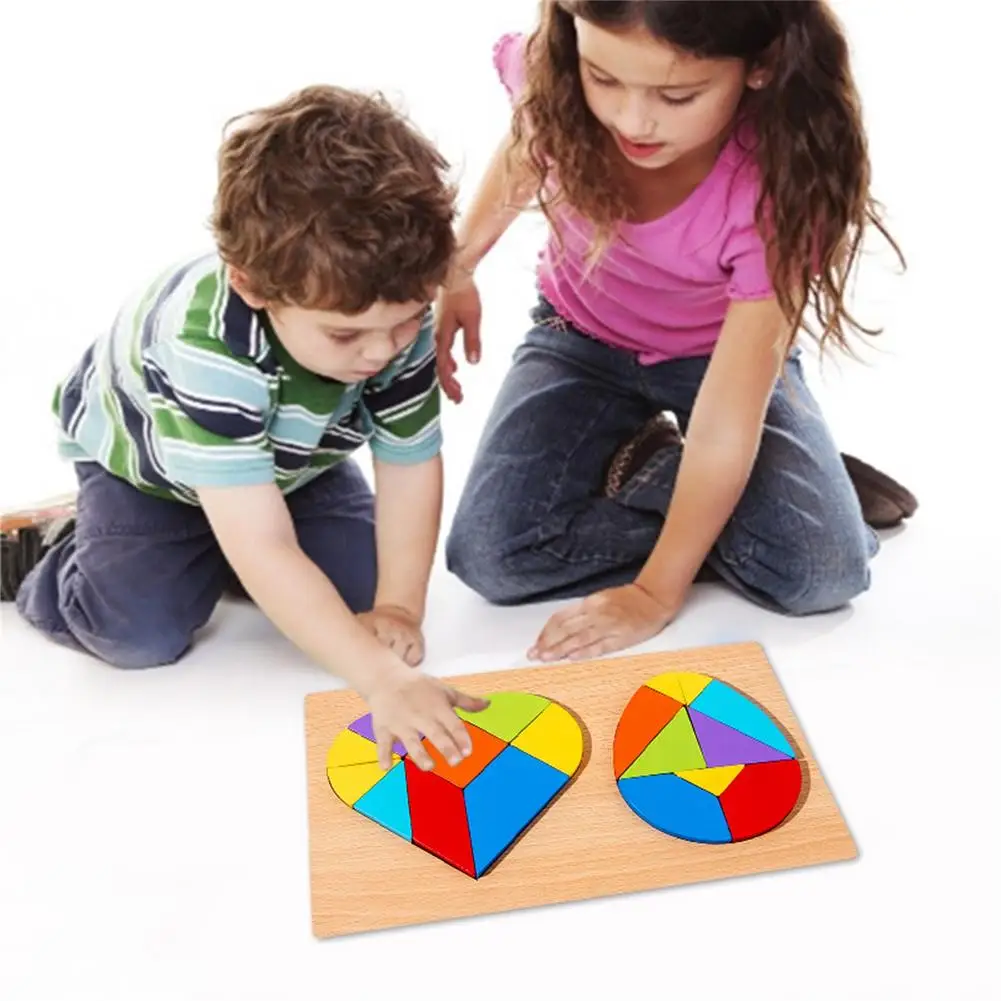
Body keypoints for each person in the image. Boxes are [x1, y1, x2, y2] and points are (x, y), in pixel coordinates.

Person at [2, 85, 486, 771]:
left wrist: (400, 607)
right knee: (139, 633)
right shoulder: (209, 348)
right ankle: (49, 550)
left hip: (292, 464)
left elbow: (409, 465)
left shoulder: (390, 308)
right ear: (253, 286)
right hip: (151, 475)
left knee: (360, 598)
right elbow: (263, 542)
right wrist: (379, 679)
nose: (382, 351)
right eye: (345, 334)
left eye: (407, 320)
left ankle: (231, 549)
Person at [437, 0, 917, 664]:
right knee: (493, 556)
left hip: (720, 366)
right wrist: (459, 264)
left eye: (677, 95)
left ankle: (769, 490)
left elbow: (726, 417)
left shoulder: (773, 189)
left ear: (760, 64)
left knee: (822, 573)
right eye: (603, 79)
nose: (632, 120)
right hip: (578, 338)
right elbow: (527, 145)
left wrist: (654, 592)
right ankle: (692, 478)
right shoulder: (557, 70)